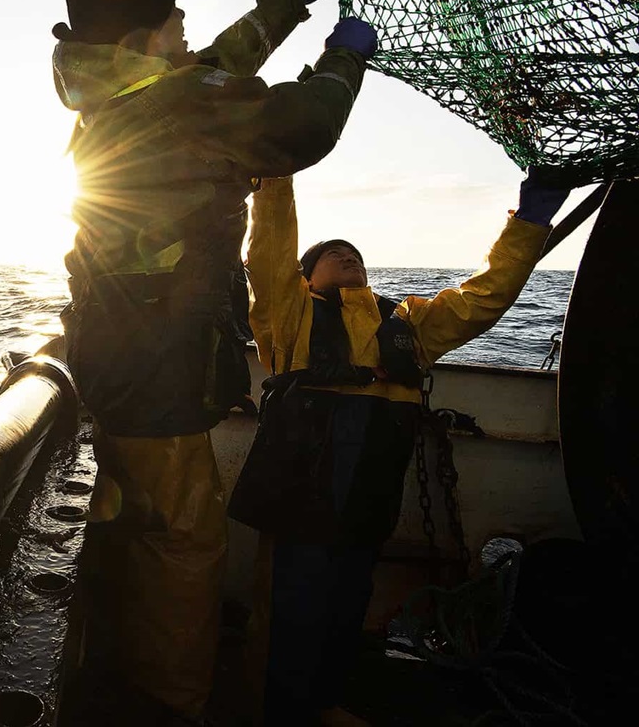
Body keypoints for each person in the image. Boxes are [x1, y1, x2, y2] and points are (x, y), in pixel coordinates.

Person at [51, 0, 378, 722]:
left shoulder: (114, 91)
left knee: (142, 529)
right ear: (144, 38)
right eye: (174, 17)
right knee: (184, 541)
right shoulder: (180, 102)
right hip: (158, 368)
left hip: (118, 359)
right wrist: (346, 55)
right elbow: (303, 124)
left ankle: (141, 672)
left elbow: (214, 65)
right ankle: (173, 705)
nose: (187, 25)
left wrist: (283, 10)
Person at [230, 170, 571, 725]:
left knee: (347, 599)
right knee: (293, 603)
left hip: (369, 490)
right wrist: (275, 174)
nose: (348, 257)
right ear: (304, 275)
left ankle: (324, 703)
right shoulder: (285, 314)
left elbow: (483, 298)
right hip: (302, 487)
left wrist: (530, 224)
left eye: (355, 254)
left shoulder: (411, 323)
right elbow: (268, 250)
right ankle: (277, 709)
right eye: (333, 253)